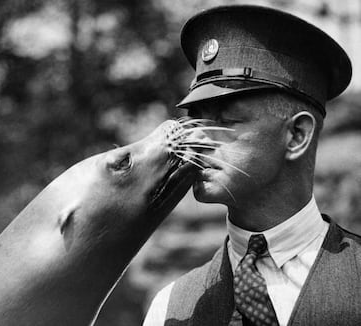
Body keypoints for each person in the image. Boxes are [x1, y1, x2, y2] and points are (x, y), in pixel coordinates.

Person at [143, 5, 361, 326]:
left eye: (227, 120)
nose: (198, 139)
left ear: (297, 135)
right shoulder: (170, 309)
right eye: (197, 121)